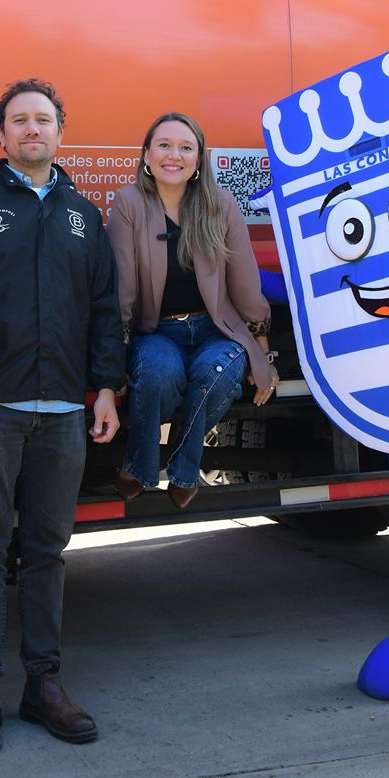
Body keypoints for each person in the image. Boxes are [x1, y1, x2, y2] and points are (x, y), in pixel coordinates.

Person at [0, 77, 127, 759]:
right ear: (2, 136)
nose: (32, 130)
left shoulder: (84, 216)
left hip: (65, 409)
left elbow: (104, 310)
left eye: (43, 120)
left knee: (47, 552)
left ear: (60, 132)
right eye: (19, 121)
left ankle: (43, 685)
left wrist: (105, 389)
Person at [103, 113, 279, 510]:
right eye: (164, 145)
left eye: (186, 147)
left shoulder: (220, 203)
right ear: (146, 155)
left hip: (216, 329)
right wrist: (113, 363)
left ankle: (183, 470)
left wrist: (261, 351)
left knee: (215, 375)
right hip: (156, 333)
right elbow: (123, 291)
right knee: (159, 374)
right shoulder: (129, 203)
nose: (174, 155)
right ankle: (141, 466)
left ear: (199, 159)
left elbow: (245, 282)